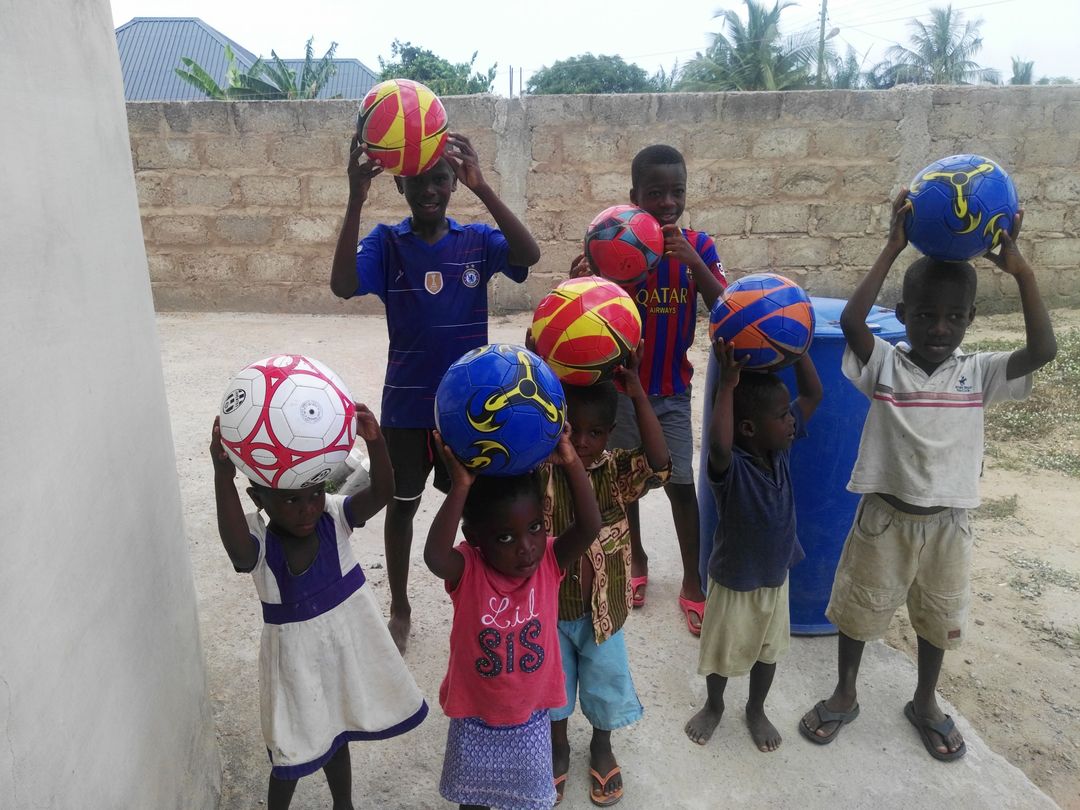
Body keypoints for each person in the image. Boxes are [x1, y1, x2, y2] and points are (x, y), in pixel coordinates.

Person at [799, 192, 1057, 761]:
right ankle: (846, 692)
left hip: (948, 527)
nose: (939, 328)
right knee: (859, 611)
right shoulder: (885, 364)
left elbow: (1043, 350)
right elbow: (850, 321)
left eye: (953, 317)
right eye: (923, 315)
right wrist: (892, 247)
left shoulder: (979, 373)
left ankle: (924, 701)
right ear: (903, 314)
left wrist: (1023, 273)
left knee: (937, 619)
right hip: (883, 520)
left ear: (970, 319)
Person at [330, 133, 541, 654]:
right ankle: (400, 605)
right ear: (399, 184)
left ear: (454, 183)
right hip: (406, 408)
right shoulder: (386, 242)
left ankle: (478, 600)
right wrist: (355, 198)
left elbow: (528, 254)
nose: (429, 189)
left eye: (441, 179)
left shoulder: (477, 241)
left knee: (476, 507)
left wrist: (483, 187)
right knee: (402, 505)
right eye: (418, 181)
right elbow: (342, 285)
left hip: (470, 412)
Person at [209, 405, 427, 810]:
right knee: (290, 753)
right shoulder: (261, 544)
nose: (307, 507)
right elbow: (237, 551)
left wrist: (376, 442)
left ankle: (344, 805)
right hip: (295, 668)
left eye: (314, 493)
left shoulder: (334, 516)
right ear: (258, 498)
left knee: (336, 733)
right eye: (291, 500)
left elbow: (383, 493)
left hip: (341, 654)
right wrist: (223, 476)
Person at [573, 143, 726, 634]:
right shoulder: (613, 245)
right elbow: (584, 311)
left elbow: (726, 307)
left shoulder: (698, 246)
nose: (667, 202)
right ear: (634, 195)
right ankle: (636, 558)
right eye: (655, 193)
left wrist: (694, 263)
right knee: (625, 484)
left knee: (680, 485)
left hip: (671, 392)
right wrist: (581, 280)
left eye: (676, 191)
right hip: (620, 392)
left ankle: (692, 579)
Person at [425, 427, 601, 810]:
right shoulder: (469, 569)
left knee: (527, 801)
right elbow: (435, 558)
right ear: (474, 538)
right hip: (475, 717)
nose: (526, 548)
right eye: (505, 538)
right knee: (472, 801)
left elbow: (590, 526)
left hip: (530, 718)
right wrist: (460, 488)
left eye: (535, 528)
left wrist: (571, 461)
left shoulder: (549, 560)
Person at [540, 354, 671, 806]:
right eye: (571, 429)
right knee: (553, 688)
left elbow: (659, 465)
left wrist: (638, 394)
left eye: (594, 432)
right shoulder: (540, 468)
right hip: (550, 611)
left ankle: (601, 744)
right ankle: (558, 747)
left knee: (604, 683)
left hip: (604, 611)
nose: (581, 441)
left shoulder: (615, 472)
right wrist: (538, 365)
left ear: (610, 434)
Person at [685, 340, 822, 752]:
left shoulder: (780, 452)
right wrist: (727, 385)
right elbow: (719, 445)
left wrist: (799, 349)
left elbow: (813, 394)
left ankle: (756, 708)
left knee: (768, 650)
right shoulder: (731, 470)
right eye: (782, 416)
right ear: (748, 428)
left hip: (775, 578)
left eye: (788, 414)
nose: (791, 421)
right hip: (734, 581)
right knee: (722, 652)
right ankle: (714, 704)